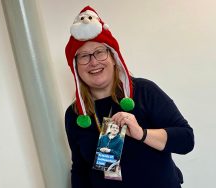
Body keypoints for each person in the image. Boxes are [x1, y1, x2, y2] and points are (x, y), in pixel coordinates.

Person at [64, 6, 194, 188]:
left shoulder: (144, 91)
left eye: (100, 52)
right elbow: (80, 169)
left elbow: (186, 140)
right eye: (84, 56)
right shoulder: (75, 114)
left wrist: (142, 133)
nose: (93, 61)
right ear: (76, 67)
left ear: (113, 57)